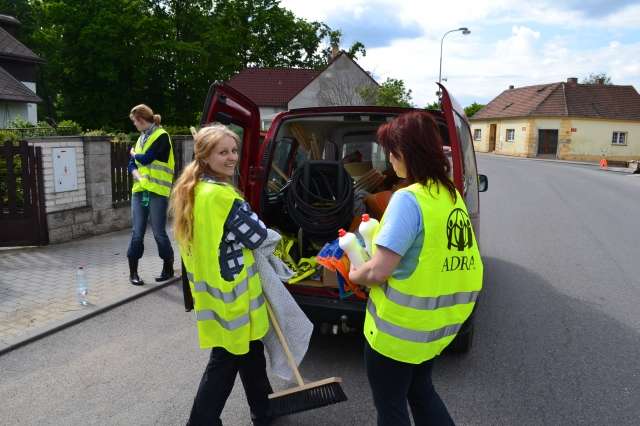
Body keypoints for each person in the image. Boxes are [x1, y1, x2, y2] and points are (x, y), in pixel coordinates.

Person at [349, 111, 483, 426]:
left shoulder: (408, 200)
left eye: (391, 154)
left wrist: (355, 274)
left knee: (391, 406)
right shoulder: (449, 195)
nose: (390, 162)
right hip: (434, 328)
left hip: (397, 333)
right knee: (421, 391)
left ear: (405, 154)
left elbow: (378, 272)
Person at [169, 124, 272, 426]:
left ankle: (264, 411)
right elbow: (256, 237)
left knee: (252, 352)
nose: (231, 157)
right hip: (234, 296)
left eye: (233, 150)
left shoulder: (195, 189)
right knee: (224, 363)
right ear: (205, 156)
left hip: (215, 294)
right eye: (223, 152)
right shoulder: (222, 197)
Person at [127, 104, 175, 286]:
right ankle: (133, 273)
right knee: (137, 233)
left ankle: (168, 267)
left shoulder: (162, 136)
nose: (134, 125)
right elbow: (130, 164)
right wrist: (137, 174)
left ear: (140, 119)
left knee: (159, 233)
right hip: (139, 191)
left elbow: (146, 158)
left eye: (134, 121)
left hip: (157, 192)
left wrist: (133, 154)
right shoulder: (140, 139)